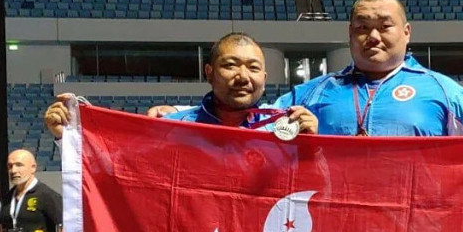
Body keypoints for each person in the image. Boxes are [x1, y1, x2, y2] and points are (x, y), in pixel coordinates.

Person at [151, 0, 463, 166]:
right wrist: (181, 111)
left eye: (384, 26)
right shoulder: (317, 90)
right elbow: (253, 118)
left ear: (407, 32)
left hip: (415, 230)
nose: (373, 36)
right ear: (350, 34)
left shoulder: (443, 90)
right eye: (362, 27)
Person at [45, 33, 318, 136]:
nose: (243, 76)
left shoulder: (285, 130)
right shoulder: (175, 128)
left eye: (253, 67)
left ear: (265, 79)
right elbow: (118, 169)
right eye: (231, 65)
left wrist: (312, 148)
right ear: (209, 73)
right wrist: (66, 136)